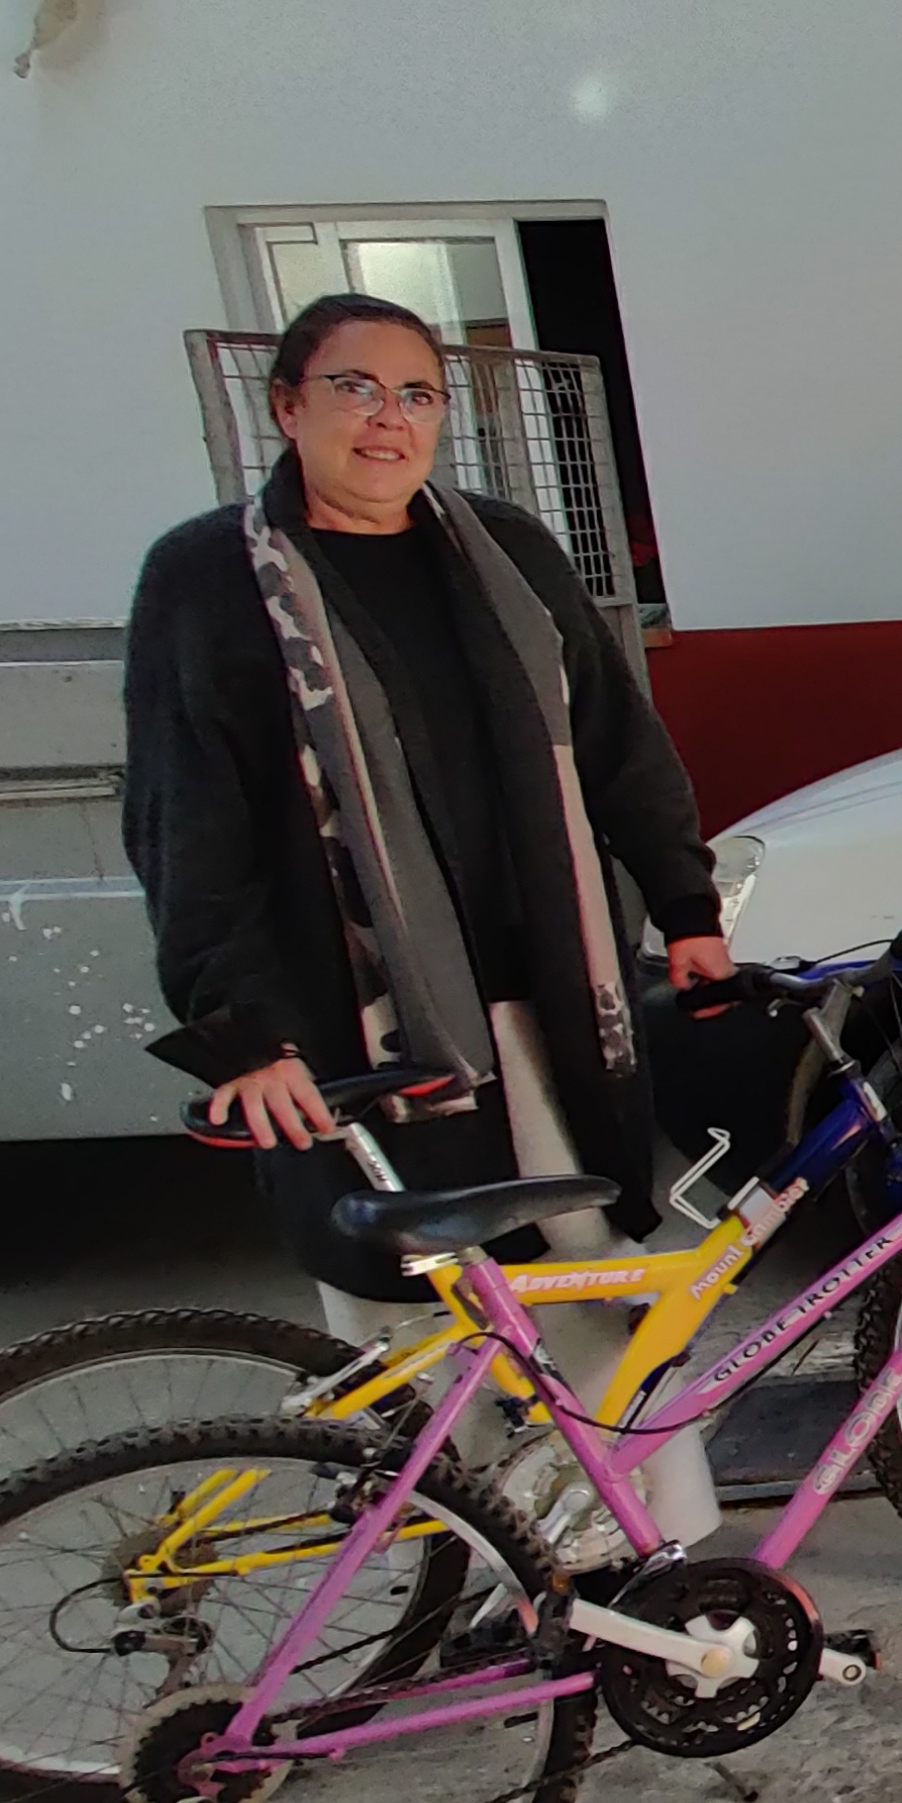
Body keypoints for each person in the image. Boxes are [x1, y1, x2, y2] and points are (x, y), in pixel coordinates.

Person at [123, 291, 734, 1538]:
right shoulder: (210, 577)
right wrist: (241, 1029)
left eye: (416, 393)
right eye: (354, 388)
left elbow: (614, 740)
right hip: (346, 1022)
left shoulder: (504, 549)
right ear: (286, 407)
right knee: (410, 1314)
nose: (387, 419)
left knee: (597, 1280)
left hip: (542, 997)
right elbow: (185, 809)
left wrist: (685, 903)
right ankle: (460, 1561)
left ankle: (657, 1552)